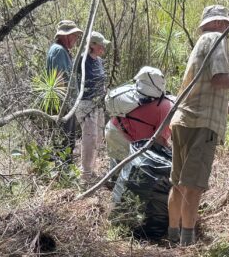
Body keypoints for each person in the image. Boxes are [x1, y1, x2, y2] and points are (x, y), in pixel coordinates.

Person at [168, 4, 229, 247]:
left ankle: (172, 238)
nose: (228, 28)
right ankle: (187, 245)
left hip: (183, 120)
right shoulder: (216, 39)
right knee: (193, 186)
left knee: (178, 184)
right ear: (221, 23)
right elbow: (220, 80)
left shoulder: (201, 44)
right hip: (201, 125)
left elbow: (212, 96)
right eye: (227, 24)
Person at [104, 66, 174, 170]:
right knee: (125, 171)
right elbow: (159, 141)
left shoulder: (163, 104)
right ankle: (115, 183)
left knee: (119, 165)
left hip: (114, 128)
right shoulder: (167, 111)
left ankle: (113, 180)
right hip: (121, 134)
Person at [73, 30, 109, 187]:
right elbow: (72, 81)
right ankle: (85, 175)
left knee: (99, 137)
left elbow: (101, 80)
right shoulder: (81, 60)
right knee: (90, 137)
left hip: (99, 104)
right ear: (92, 45)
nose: (103, 48)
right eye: (101, 45)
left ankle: (92, 170)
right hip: (86, 104)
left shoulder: (99, 61)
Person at [46, 19, 82, 156]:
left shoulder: (61, 50)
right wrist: (64, 107)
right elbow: (59, 79)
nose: (76, 39)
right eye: (74, 35)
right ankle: (63, 172)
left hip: (65, 105)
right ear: (66, 35)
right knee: (65, 142)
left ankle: (64, 171)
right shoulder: (59, 51)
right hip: (63, 106)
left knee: (66, 141)